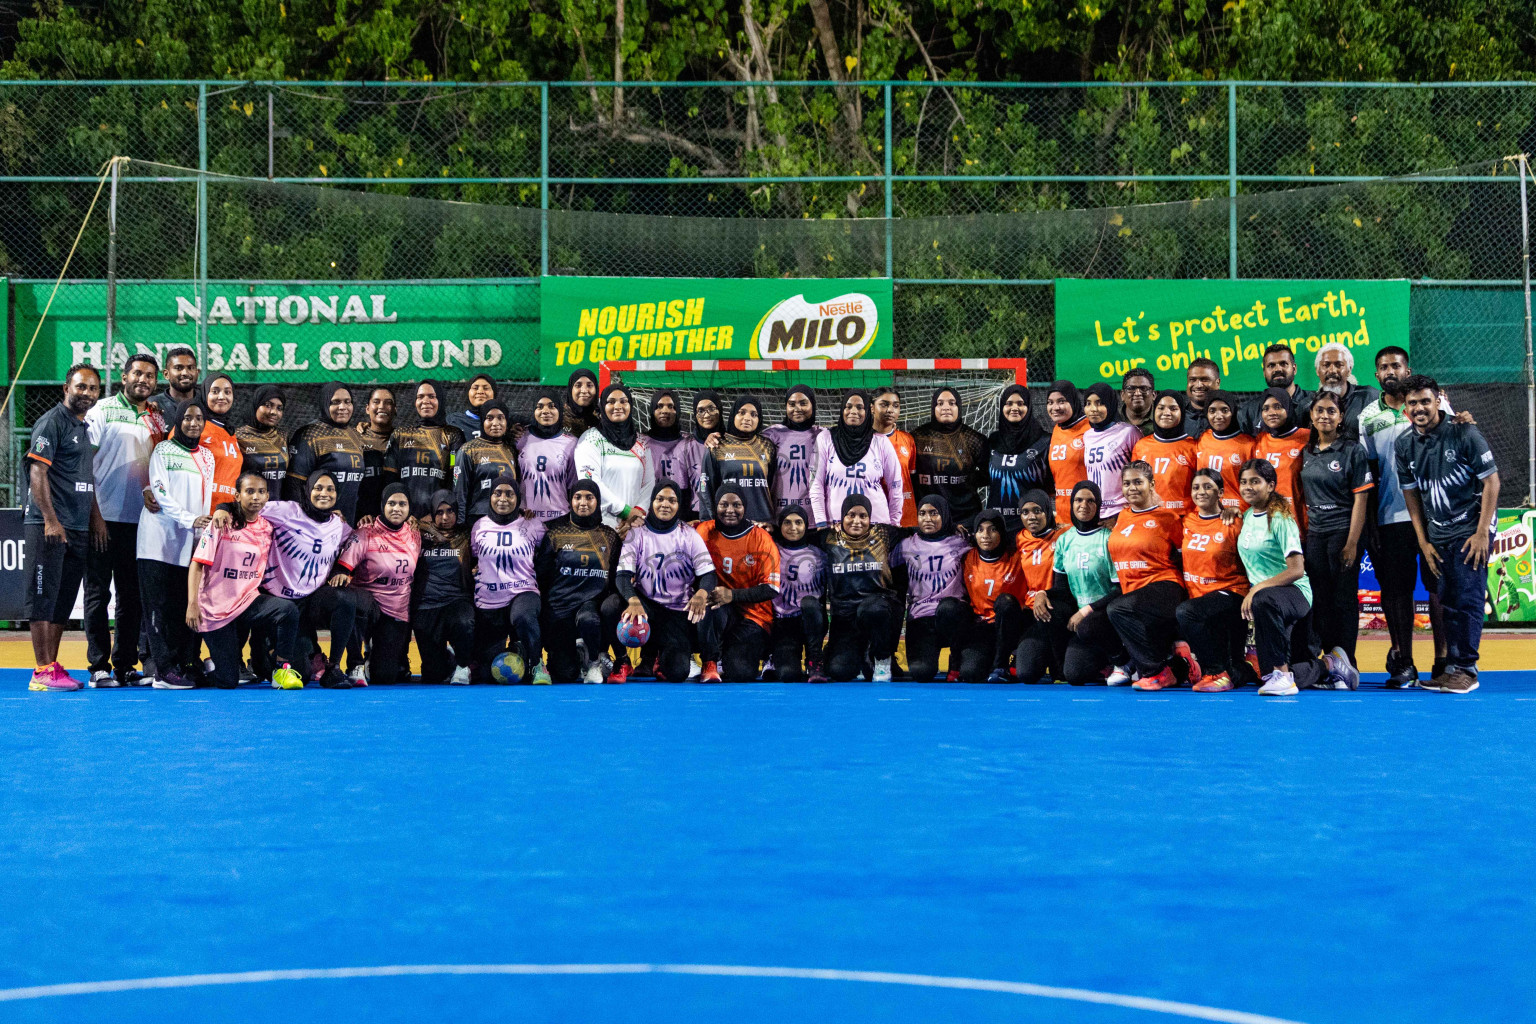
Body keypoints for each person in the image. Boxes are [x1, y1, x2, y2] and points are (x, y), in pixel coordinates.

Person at [1359, 346, 1462, 686]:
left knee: (1439, 588)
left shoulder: (1434, 405)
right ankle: (1404, 662)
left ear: (1408, 369)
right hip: (1391, 517)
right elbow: (1369, 475)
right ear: (1376, 375)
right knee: (1397, 591)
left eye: (1396, 366)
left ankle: (1444, 660)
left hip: (1436, 515)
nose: (1391, 371)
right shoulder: (1367, 418)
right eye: (1384, 367)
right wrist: (1372, 524)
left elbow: (1458, 446)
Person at [1396, 375, 1500, 693]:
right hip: (1437, 535)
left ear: (1438, 400)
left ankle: (1467, 670)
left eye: (1425, 401)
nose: (1419, 408)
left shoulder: (1463, 432)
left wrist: (1483, 532)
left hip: (1471, 529)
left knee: (1467, 599)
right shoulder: (1404, 445)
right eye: (1413, 403)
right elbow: (1411, 496)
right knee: (1448, 601)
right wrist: (1423, 541)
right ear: (1405, 407)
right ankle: (1452, 668)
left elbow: (1492, 482)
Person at [218, 470, 357, 688]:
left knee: (346, 600)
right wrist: (223, 508)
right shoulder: (288, 511)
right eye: (318, 488)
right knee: (297, 670)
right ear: (308, 490)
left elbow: (358, 539)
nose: (324, 493)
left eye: (330, 489)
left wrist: (342, 568)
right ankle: (263, 650)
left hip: (311, 601)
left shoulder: (338, 524)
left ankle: (334, 668)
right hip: (279, 603)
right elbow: (250, 505)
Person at [22, 364, 105, 692]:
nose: (87, 393)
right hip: (50, 526)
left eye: (93, 388)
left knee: (63, 599)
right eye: (81, 387)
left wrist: (95, 518)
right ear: (65, 389)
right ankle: (41, 670)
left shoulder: (83, 428)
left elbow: (85, 478)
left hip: (77, 527)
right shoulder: (52, 422)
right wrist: (50, 519)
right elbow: (37, 473)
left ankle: (51, 665)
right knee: (42, 596)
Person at [1236, 459, 1351, 694]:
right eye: (1244, 482)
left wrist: (1256, 589)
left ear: (1270, 485)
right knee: (1264, 676)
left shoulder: (1280, 518)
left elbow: (1296, 569)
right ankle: (1329, 665)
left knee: (1263, 600)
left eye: (1255, 482)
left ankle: (1282, 677)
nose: (1248, 487)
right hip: (1268, 599)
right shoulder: (1248, 516)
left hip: (1294, 593)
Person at [83, 353, 163, 686]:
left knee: (131, 597)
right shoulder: (101, 410)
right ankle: (98, 666)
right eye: (138, 374)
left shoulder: (156, 418)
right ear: (124, 376)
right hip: (103, 519)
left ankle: (126, 664)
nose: (143, 380)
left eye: (150, 376)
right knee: (98, 594)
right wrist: (95, 515)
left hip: (141, 522)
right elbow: (83, 466)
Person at [187, 472, 303, 690]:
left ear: (268, 496)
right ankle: (207, 667)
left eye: (261, 492)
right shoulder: (221, 523)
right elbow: (197, 564)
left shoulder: (268, 527)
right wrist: (193, 603)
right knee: (228, 682)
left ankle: (281, 669)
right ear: (237, 495)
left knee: (287, 610)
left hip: (247, 602)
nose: (256, 497)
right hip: (215, 609)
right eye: (249, 491)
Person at [137, 399, 216, 690]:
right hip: (156, 541)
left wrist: (200, 531)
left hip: (187, 544)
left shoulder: (208, 457)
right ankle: (162, 670)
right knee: (156, 607)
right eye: (187, 418)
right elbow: (159, 491)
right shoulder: (164, 450)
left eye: (198, 418)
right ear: (178, 421)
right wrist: (189, 519)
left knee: (178, 606)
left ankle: (182, 664)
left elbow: (205, 498)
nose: (193, 423)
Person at [1105, 461, 1198, 691]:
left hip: (1165, 587)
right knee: (1097, 623)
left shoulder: (1169, 518)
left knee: (1117, 609)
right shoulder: (1122, 517)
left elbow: (1182, 558)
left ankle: (1156, 672)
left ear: (1152, 484)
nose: (1132, 488)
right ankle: (1176, 665)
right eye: (1127, 483)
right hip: (1133, 591)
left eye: (1138, 482)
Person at [1299, 390, 1373, 672]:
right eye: (1319, 410)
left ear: (1341, 417)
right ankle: (1330, 661)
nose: (1324, 416)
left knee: (1343, 599)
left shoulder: (1352, 450)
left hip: (1343, 533)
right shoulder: (1307, 451)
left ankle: (1347, 662)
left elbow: (1361, 499)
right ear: (1311, 415)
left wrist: (1352, 542)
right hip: (1315, 536)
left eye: (1331, 411)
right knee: (1321, 599)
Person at [615, 480, 717, 683]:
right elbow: (622, 576)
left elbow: (708, 574)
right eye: (660, 499)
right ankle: (621, 661)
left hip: (676, 614)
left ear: (679, 505)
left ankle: (660, 660)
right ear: (651, 503)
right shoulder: (636, 534)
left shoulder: (689, 535)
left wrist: (701, 593)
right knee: (612, 606)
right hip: (647, 608)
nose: (665, 504)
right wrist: (633, 600)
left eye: (672, 500)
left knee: (678, 673)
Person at [535, 480, 625, 684]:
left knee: (588, 619)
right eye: (577, 497)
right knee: (564, 673)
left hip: (591, 607)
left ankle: (594, 660)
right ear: (570, 501)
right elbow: (542, 576)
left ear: (597, 501)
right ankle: (578, 652)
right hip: (560, 610)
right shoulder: (555, 534)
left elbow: (615, 577)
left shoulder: (609, 536)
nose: (583, 502)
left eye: (589, 497)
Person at [335, 481, 421, 686]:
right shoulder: (366, 533)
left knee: (385, 677)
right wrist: (340, 577)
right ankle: (356, 659)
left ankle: (372, 657)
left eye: (402, 504)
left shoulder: (415, 533)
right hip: (369, 607)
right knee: (354, 602)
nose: (397, 509)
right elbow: (343, 568)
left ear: (409, 508)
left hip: (397, 612)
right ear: (382, 505)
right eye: (391, 503)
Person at [1174, 468, 1253, 692]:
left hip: (1230, 594)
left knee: (1186, 612)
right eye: (1196, 487)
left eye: (1208, 486)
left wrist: (1237, 510)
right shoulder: (1186, 521)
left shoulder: (1235, 522)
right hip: (1200, 600)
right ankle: (1242, 670)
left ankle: (1215, 673)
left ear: (1220, 492)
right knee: (1235, 667)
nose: (1201, 491)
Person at [1040, 481, 1125, 686]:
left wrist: (1087, 609)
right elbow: (1061, 589)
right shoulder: (1064, 540)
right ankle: (1074, 664)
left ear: (1099, 506)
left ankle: (1123, 661)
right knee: (1074, 675)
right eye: (1078, 500)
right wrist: (1043, 593)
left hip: (1105, 616)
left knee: (1088, 625)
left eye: (1090, 501)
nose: (1083, 505)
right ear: (1071, 503)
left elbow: (1121, 589)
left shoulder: (1109, 539)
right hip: (1081, 622)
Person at [696, 484, 782, 681]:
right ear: (715, 506)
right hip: (720, 610)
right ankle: (710, 661)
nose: (730, 510)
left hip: (754, 617)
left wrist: (733, 595)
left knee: (740, 673)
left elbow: (771, 588)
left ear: (745, 507)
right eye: (723, 504)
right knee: (708, 601)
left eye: (737, 505)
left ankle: (755, 654)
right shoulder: (704, 531)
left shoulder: (761, 538)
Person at [471, 475, 549, 684]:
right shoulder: (479, 526)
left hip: (522, 592)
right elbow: (472, 557)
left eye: (509, 494)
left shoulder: (533, 524)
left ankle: (537, 665)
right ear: (490, 497)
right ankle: (515, 649)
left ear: (518, 498)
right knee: (488, 676)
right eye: (497, 493)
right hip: (488, 601)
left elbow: (548, 554)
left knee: (523, 617)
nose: (503, 499)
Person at [818, 493, 902, 682]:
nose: (857, 521)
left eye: (863, 516)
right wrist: (769, 528)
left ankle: (881, 658)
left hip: (877, 609)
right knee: (839, 671)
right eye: (851, 515)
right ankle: (853, 652)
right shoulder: (829, 538)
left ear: (870, 518)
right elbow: (794, 535)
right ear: (842, 518)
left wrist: (956, 528)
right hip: (845, 617)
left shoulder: (883, 534)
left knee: (872, 609)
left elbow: (921, 531)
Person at [893, 495, 971, 682]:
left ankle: (957, 656)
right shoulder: (905, 546)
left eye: (934, 513)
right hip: (920, 617)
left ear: (944, 515)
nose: (927, 519)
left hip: (953, 614)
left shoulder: (962, 542)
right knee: (921, 673)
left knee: (948, 608)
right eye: (922, 514)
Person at [811, 391, 907, 528]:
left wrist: (893, 524)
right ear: (842, 409)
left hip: (876, 523)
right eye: (848, 406)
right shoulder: (825, 438)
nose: (853, 411)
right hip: (836, 524)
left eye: (860, 407)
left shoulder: (881, 442)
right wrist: (821, 522)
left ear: (868, 411)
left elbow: (895, 486)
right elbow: (816, 484)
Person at [956, 508, 1028, 684]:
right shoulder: (967, 557)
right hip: (982, 628)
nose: (985, 535)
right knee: (970, 673)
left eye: (992, 529)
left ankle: (1001, 664)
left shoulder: (1017, 557)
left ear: (1002, 533)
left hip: (1010, 625)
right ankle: (971, 662)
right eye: (980, 530)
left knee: (1005, 601)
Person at [412, 490, 477, 685]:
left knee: (464, 622)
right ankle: (447, 657)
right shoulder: (418, 532)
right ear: (432, 514)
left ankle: (463, 665)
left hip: (457, 600)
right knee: (433, 676)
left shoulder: (467, 534)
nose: (445, 517)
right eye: (439, 512)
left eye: (450, 511)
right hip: (426, 605)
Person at [575, 383, 654, 530]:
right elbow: (590, 482)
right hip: (600, 526)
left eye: (623, 401)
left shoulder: (642, 442)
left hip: (635, 526)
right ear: (602, 407)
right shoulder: (590, 439)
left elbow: (649, 483)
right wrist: (625, 511)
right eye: (611, 402)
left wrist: (637, 514)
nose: (618, 406)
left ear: (631, 406)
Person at [285, 381, 366, 524]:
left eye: (347, 402)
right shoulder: (309, 434)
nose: (343, 407)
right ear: (324, 403)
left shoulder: (356, 435)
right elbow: (294, 486)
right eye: (335, 402)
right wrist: (313, 517)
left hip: (348, 523)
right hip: (317, 525)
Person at [386, 380, 466, 518]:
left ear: (440, 400)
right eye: (420, 397)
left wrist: (439, 512)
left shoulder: (453, 435)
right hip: (404, 518)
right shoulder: (400, 434)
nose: (425, 401)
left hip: (438, 519)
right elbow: (389, 481)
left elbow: (455, 479)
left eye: (431, 396)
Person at [1010, 492, 1067, 685]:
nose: (1031, 517)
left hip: (1059, 610)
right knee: (1026, 674)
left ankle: (1058, 662)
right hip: (1032, 613)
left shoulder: (1064, 535)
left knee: (1067, 674)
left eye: (1037, 511)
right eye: (1025, 512)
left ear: (1048, 512)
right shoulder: (1020, 538)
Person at [912, 387, 989, 526]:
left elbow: (989, 474)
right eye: (940, 403)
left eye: (952, 403)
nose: (946, 407)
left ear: (959, 407)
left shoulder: (974, 440)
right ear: (933, 407)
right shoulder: (917, 437)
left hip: (965, 518)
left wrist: (968, 481)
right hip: (928, 518)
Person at [768, 504, 827, 683]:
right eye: (787, 522)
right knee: (788, 675)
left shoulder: (820, 555)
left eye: (798, 522)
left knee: (809, 602)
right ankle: (775, 657)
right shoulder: (772, 550)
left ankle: (814, 659)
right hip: (784, 623)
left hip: (811, 619)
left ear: (806, 525)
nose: (793, 527)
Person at [699, 396, 779, 526]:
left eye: (754, 415)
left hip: (763, 524)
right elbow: (705, 488)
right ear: (733, 415)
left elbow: (774, 487)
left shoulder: (767, 446)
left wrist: (774, 522)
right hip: (729, 523)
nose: (747, 418)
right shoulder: (716, 445)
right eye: (742, 413)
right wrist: (708, 523)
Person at [987, 383, 1051, 532]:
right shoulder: (992, 441)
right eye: (1009, 403)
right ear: (1002, 407)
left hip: (1031, 526)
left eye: (1020, 403)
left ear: (1029, 407)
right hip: (996, 525)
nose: (1014, 408)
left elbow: (1052, 486)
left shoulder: (1045, 441)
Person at [763, 385, 827, 518]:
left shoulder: (824, 435)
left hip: (815, 518)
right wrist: (710, 436)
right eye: (792, 404)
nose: (797, 409)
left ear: (813, 406)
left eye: (803, 403)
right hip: (780, 518)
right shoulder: (772, 434)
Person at [517, 387, 580, 521]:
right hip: (526, 518)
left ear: (560, 411)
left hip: (560, 517)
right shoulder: (520, 438)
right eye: (540, 407)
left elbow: (573, 486)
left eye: (552, 406)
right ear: (533, 411)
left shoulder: (571, 443)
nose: (546, 411)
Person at [1081, 383, 1141, 521]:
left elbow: (1141, 474)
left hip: (1122, 512)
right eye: (1088, 403)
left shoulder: (1129, 432)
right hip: (1094, 513)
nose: (1093, 409)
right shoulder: (1087, 436)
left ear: (1111, 404)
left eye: (1100, 403)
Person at [1252, 387, 1311, 527]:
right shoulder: (1259, 440)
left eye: (1277, 407)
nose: (1271, 413)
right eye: (1265, 409)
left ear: (1289, 408)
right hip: (1266, 522)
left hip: (1299, 522)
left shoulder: (1307, 437)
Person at [1131, 390, 1197, 514]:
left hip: (1182, 518)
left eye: (1173, 409)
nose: (1166, 413)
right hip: (1147, 516)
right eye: (1161, 408)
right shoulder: (1141, 445)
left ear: (1182, 413)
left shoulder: (1193, 447)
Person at [644, 389, 706, 519]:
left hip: (684, 515)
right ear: (652, 411)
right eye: (659, 406)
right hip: (648, 514)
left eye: (671, 406)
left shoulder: (689, 443)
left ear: (678, 411)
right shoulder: (641, 443)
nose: (665, 410)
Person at [454, 399, 517, 525]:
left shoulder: (511, 450)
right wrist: (460, 524)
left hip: (507, 520)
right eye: (489, 418)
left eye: (500, 418)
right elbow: (460, 492)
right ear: (482, 421)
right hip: (477, 520)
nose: (495, 423)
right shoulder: (468, 450)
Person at [1194, 391, 1252, 510]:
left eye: (1225, 410)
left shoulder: (1249, 445)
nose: (1218, 416)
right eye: (1212, 411)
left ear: (1233, 412)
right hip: (1205, 512)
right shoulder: (1202, 439)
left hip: (1238, 513)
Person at [1239, 344, 1314, 436]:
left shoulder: (1314, 403)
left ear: (1294, 369)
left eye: (1283, 364)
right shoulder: (1249, 411)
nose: (1278, 369)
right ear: (1264, 372)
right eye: (1271, 365)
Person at [871, 387, 918, 528]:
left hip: (907, 519)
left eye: (895, 406)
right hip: (874, 516)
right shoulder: (863, 441)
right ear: (872, 408)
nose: (890, 410)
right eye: (884, 404)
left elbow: (912, 479)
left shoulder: (907, 439)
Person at [1312, 341, 1378, 440]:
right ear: (1317, 371)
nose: (1332, 370)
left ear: (1349, 369)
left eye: (1339, 365)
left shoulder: (1369, 396)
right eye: (1326, 365)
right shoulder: (1309, 403)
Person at [198, 372, 243, 508]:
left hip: (227, 513)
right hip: (200, 514)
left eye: (227, 392)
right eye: (215, 391)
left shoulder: (231, 432)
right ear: (205, 395)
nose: (222, 397)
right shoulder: (193, 427)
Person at [235, 384, 289, 494]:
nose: (274, 412)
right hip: (250, 508)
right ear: (256, 405)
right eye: (268, 405)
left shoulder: (283, 437)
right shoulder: (238, 437)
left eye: (279, 408)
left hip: (279, 507)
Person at [354, 386, 397, 520]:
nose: (382, 406)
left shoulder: (403, 439)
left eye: (388, 402)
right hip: (361, 519)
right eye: (376, 402)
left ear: (395, 409)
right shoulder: (354, 439)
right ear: (367, 408)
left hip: (395, 519)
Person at [148, 346, 199, 422]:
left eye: (191, 368)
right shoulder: (154, 404)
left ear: (197, 372)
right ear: (166, 374)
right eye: (178, 368)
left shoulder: (207, 403)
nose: (185, 373)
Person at [448, 372, 500, 442]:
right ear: (468, 393)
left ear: (494, 393)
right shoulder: (453, 421)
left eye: (486, 388)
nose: (480, 391)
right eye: (475, 388)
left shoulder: (504, 422)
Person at [1182, 358, 1222, 439]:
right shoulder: (1176, 418)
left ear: (1217, 383)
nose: (1198, 385)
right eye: (1192, 380)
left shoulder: (1233, 418)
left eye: (1204, 380)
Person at [563, 369, 601, 437]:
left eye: (589, 385)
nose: (584, 390)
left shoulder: (601, 418)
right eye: (578, 385)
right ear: (571, 389)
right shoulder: (559, 419)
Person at [1120, 368, 1157, 436]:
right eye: (1131, 388)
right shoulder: (1112, 419)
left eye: (1144, 388)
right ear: (1122, 395)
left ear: (1154, 395)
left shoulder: (1162, 419)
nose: (1137, 393)